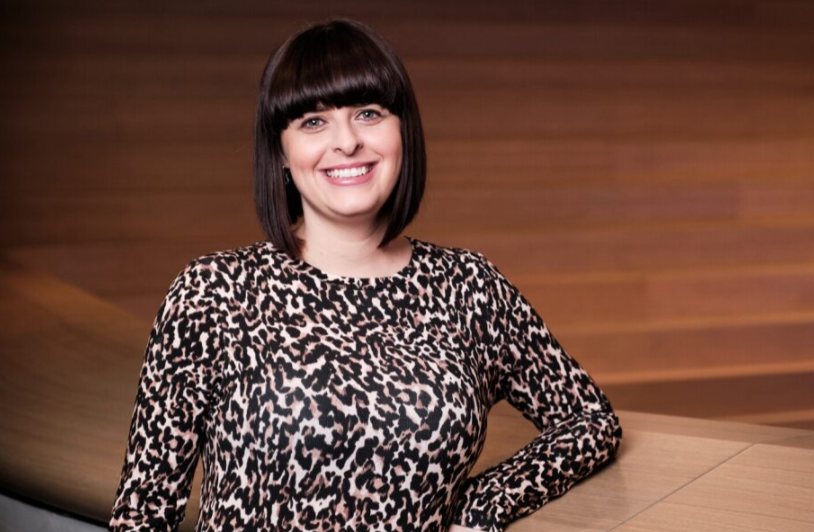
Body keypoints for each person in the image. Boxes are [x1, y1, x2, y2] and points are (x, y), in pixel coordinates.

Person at [108, 18, 622, 532]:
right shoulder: (214, 292)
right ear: (282, 154)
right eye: (313, 121)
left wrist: (482, 506)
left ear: (403, 132)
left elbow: (590, 421)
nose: (347, 142)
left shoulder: (469, 287)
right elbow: (142, 512)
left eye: (369, 113)